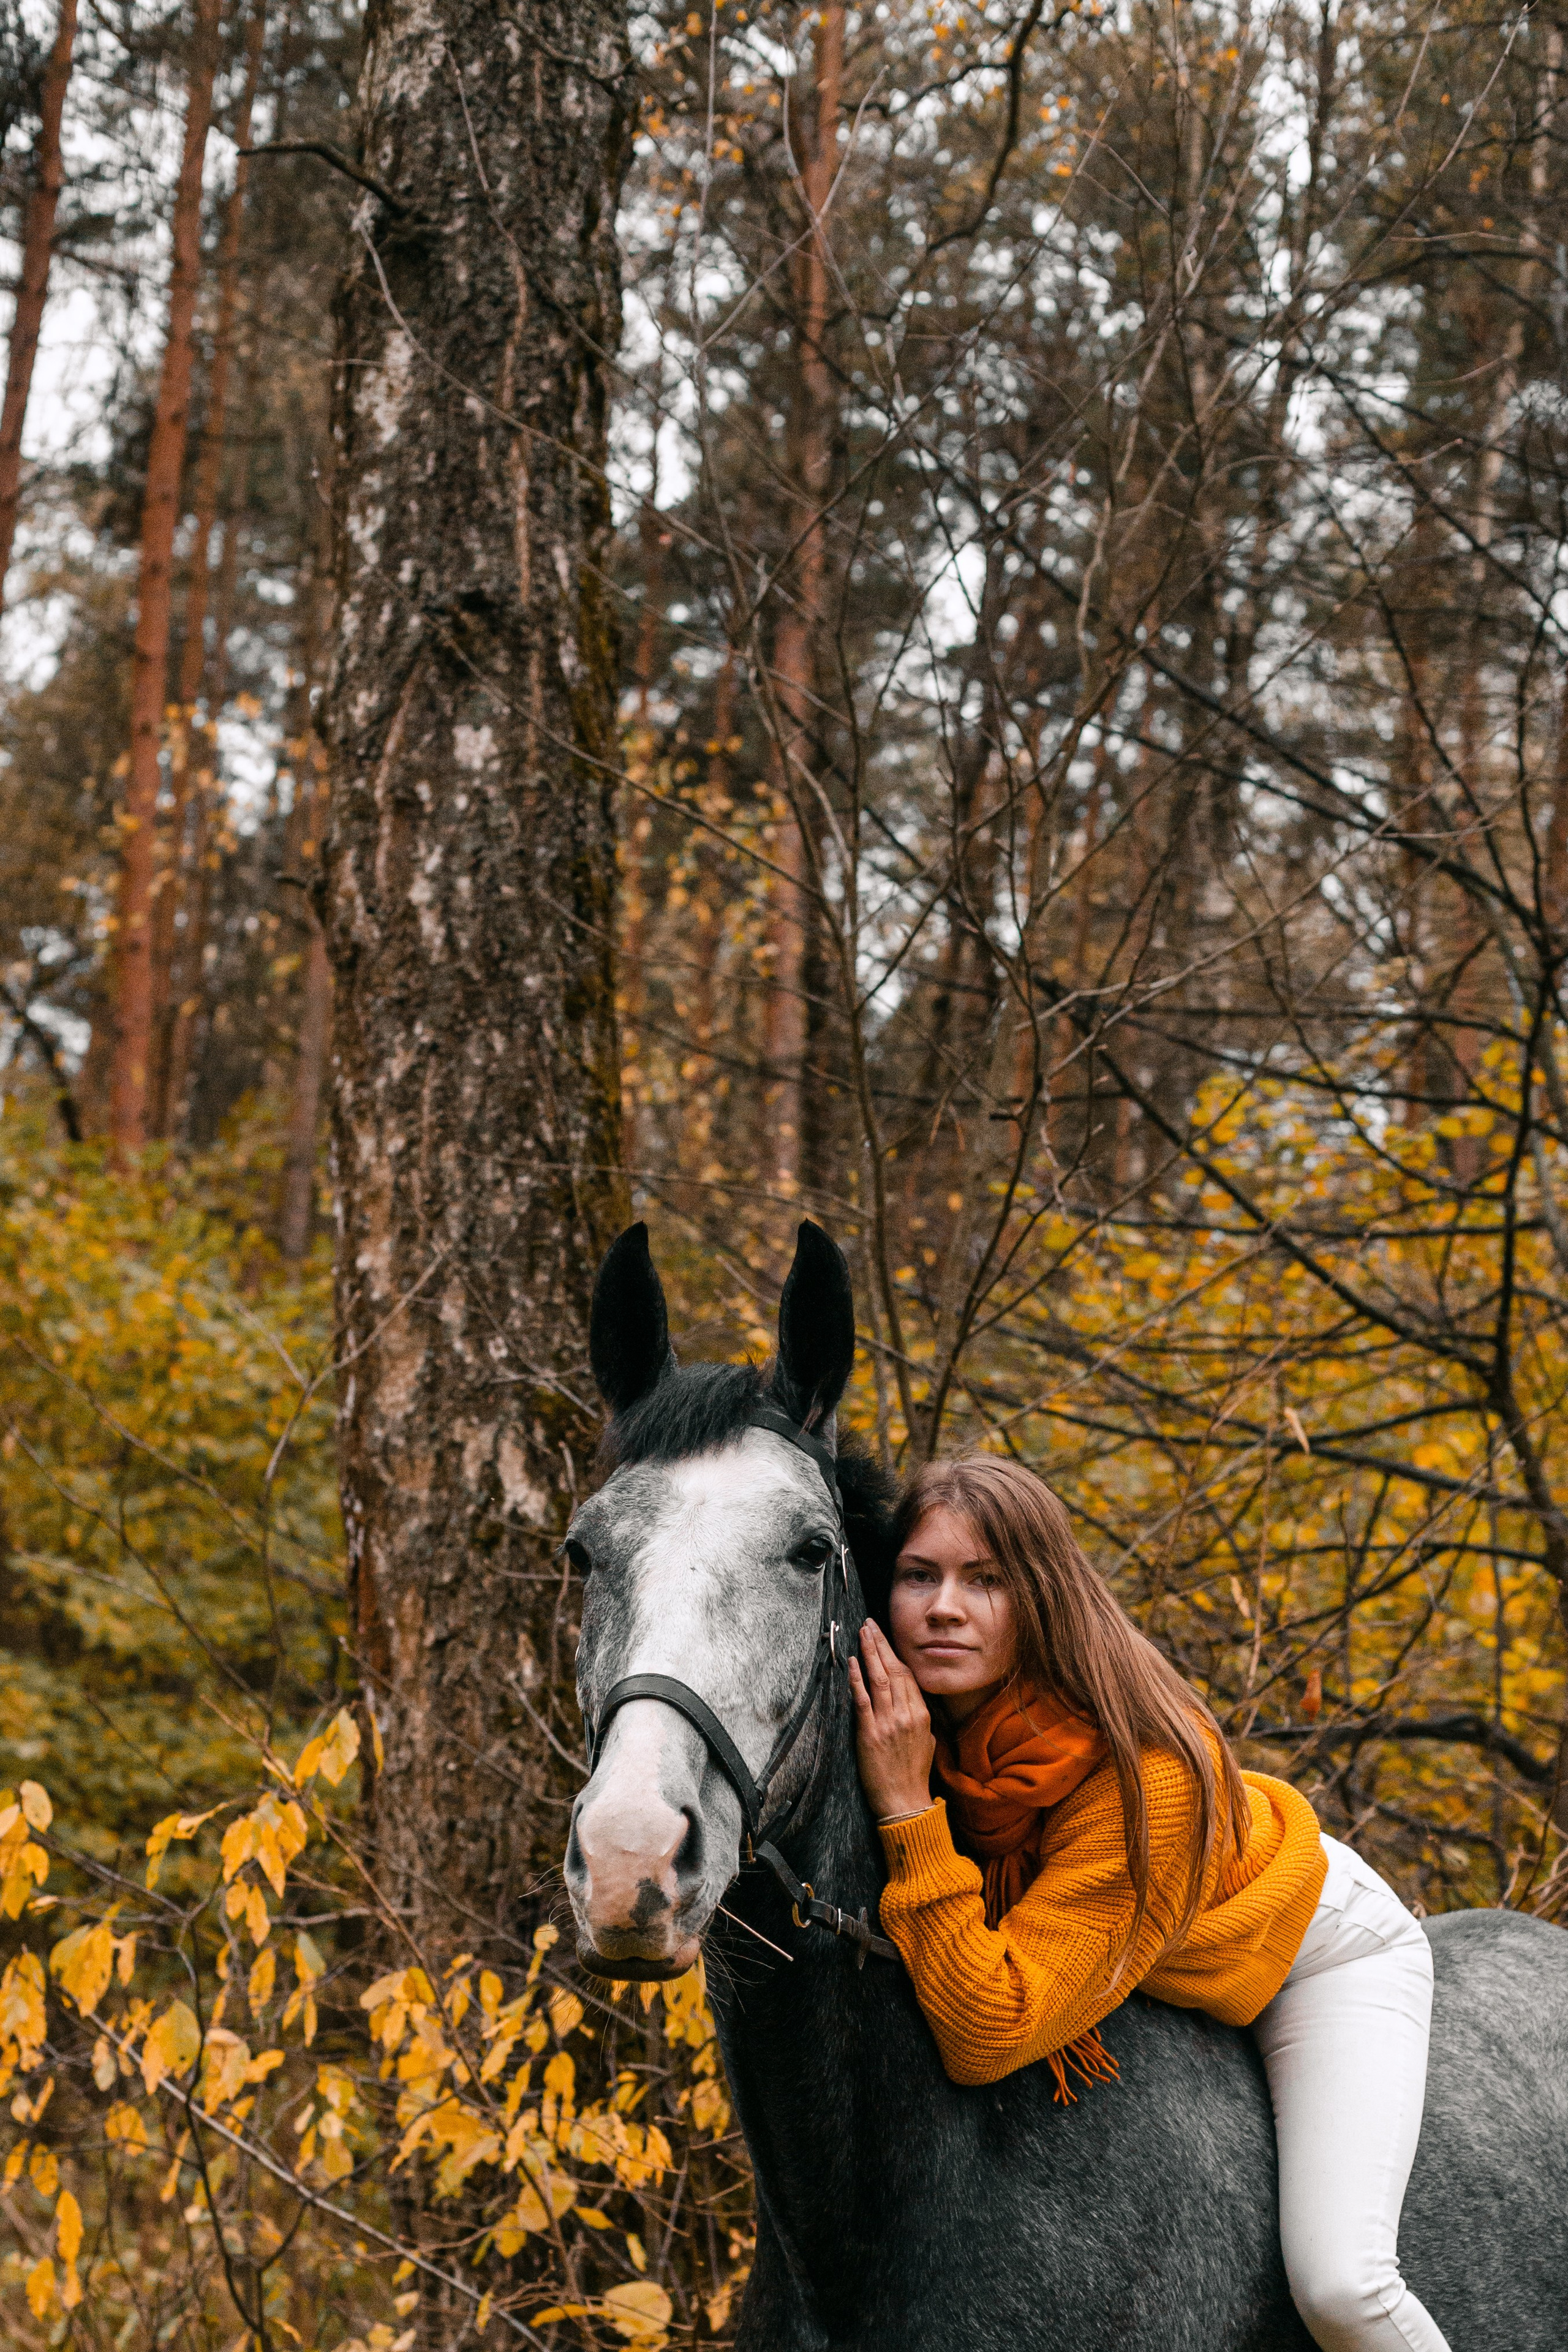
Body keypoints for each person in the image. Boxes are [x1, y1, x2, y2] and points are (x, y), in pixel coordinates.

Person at [849, 1453, 1450, 2352]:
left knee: (1343, 2286)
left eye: (987, 1581)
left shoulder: (1144, 1774)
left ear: (1045, 1598)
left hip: (1314, 1949)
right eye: (918, 1575)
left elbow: (991, 2031)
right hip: (1146, 1950)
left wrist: (905, 1809)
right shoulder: (924, 1725)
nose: (943, 1607)